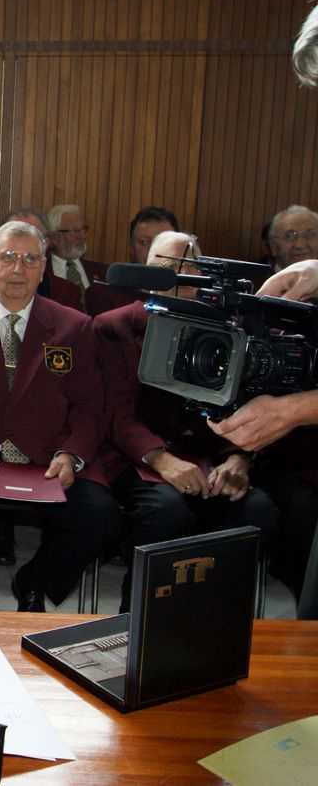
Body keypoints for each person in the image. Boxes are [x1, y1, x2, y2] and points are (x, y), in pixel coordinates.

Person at [0, 220, 121, 612]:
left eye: (30, 259)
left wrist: (71, 454)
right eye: (8, 257)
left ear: (44, 267)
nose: (18, 268)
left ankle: (33, 582)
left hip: (49, 458)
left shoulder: (73, 326)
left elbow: (88, 405)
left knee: (100, 515)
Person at [94, 232, 278, 611]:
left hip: (203, 455)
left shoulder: (222, 328)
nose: (181, 277)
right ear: (146, 271)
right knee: (166, 511)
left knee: (256, 509)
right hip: (134, 456)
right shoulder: (113, 327)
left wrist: (237, 459)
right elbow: (115, 413)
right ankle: (137, 617)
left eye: (192, 268)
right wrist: (162, 460)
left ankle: (208, 615)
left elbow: (234, 404)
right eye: (167, 266)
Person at [46, 204, 126, 315]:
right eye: (74, 231)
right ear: (54, 237)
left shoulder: (104, 272)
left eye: (83, 229)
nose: (81, 236)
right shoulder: (42, 274)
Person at [265, 205, 318, 272]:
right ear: (273, 246)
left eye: (309, 235)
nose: (300, 245)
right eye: (289, 236)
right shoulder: (256, 278)